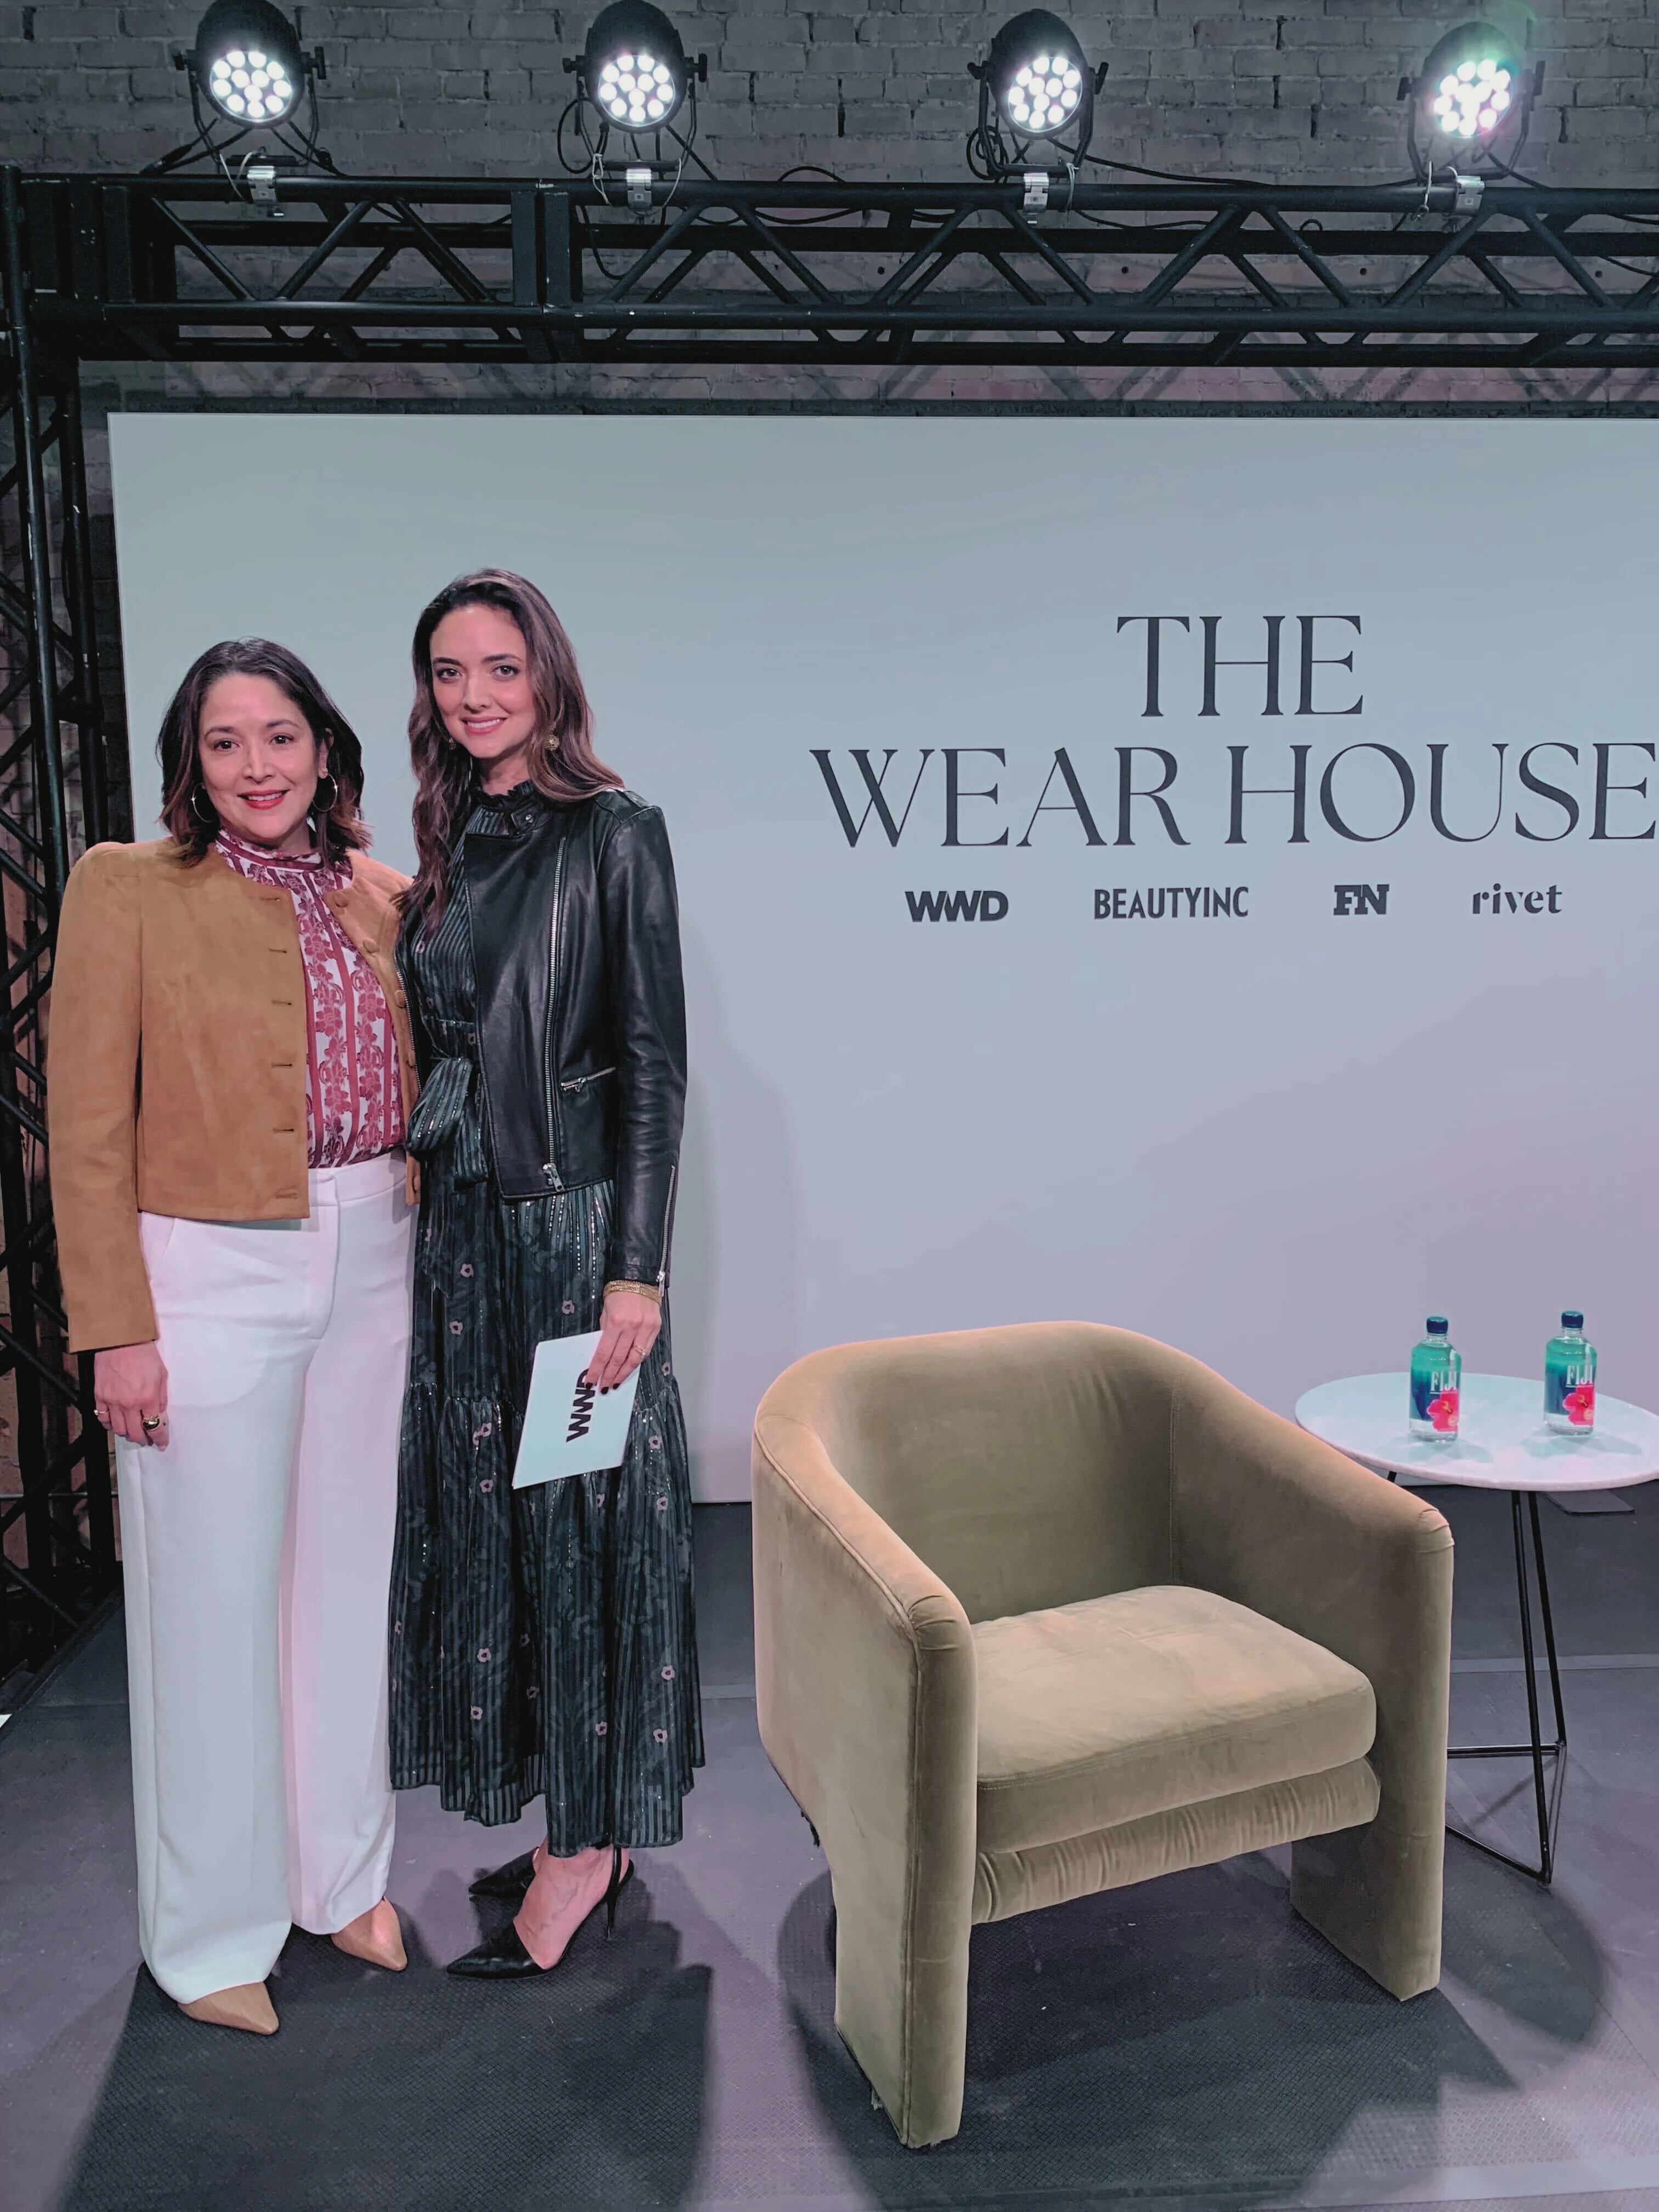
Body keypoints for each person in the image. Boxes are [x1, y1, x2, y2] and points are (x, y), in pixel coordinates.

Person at [48, 640, 419, 2036]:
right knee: (208, 1608)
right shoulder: (125, 887)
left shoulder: (386, 896)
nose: (258, 766)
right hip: (203, 1265)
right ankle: (208, 1935)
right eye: (225, 743)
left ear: (324, 746)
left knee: (340, 1584)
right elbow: (85, 1129)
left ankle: (343, 1878)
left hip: (376, 1246)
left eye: (281, 735)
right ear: (189, 764)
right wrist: (116, 1333)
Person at [388, 569, 702, 1976]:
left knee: (581, 1534)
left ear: (548, 678)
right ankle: (578, 1812)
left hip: (573, 1233)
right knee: (504, 1538)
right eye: (450, 673)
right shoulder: (448, 832)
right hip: (464, 1233)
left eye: (500, 670)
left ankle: (586, 1852)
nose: (474, 697)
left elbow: (651, 1065)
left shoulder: (614, 832)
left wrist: (636, 1273)